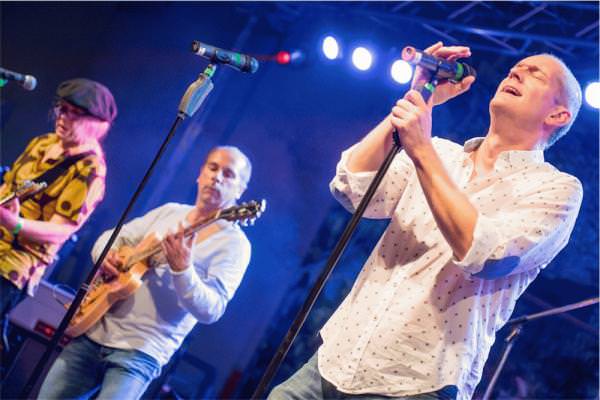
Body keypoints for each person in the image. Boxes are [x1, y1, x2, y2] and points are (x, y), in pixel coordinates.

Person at [269, 42, 583, 400]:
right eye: (516, 68)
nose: (516, 72)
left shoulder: (554, 188)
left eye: (534, 74)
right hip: (339, 356)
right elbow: (351, 186)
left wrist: (420, 148)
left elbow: (486, 255)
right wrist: (418, 97)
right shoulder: (442, 154)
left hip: (416, 382)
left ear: (558, 115)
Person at [37, 146, 253, 399]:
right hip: (93, 326)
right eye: (213, 168)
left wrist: (183, 269)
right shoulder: (170, 212)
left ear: (241, 190)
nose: (217, 177)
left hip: (141, 352)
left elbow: (212, 310)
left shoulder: (235, 245)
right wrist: (107, 256)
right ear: (200, 173)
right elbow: (110, 238)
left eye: (228, 174)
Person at [0, 79, 116, 348]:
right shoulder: (43, 143)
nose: (63, 118)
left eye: (75, 114)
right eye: (62, 109)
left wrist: (15, 224)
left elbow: (63, 230)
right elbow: (8, 187)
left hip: (14, 264)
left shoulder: (90, 169)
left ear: (96, 124)